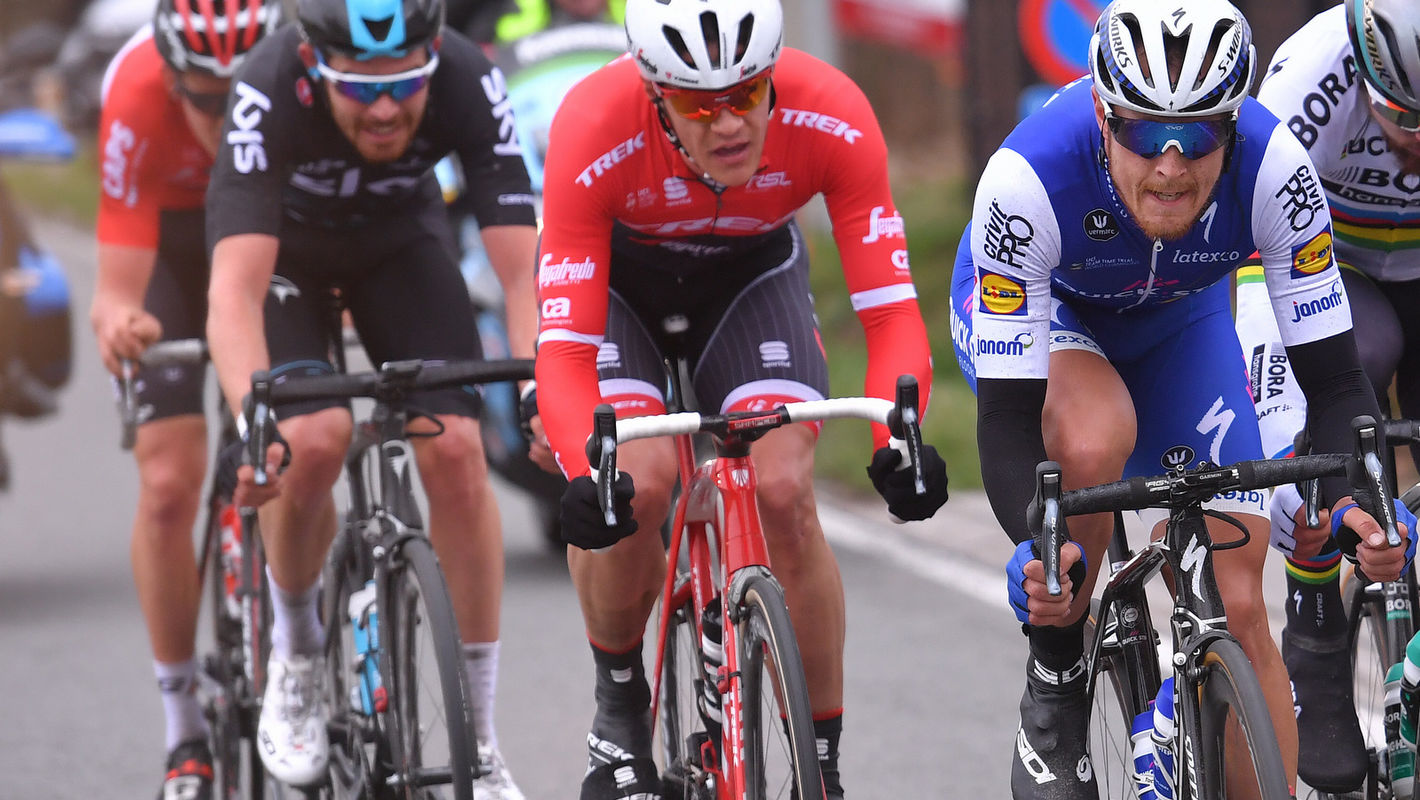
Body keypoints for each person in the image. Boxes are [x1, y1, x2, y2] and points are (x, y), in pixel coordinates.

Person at [947, 0, 1416, 797]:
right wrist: (1040, 541)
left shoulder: (1275, 169)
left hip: (1178, 323)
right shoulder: (1025, 179)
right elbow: (1006, 419)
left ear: (1232, 126)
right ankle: (1057, 676)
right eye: (1141, 130)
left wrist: (1357, 502)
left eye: (1197, 134)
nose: (1169, 164)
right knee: (1096, 437)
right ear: (1102, 113)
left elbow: (1335, 380)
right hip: (1056, 319)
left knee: (1240, 602)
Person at [528, 0, 950, 797]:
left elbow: (891, 313)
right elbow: (565, 351)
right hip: (621, 287)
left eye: (748, 95)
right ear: (655, 94)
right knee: (639, 481)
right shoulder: (593, 124)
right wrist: (589, 469)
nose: (728, 124)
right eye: (696, 104)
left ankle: (819, 761)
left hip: (750, 277)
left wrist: (898, 442)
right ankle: (619, 707)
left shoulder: (833, 112)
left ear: (773, 81)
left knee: (784, 490)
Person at [204, 0, 538, 796]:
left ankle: (480, 739)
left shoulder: (466, 73)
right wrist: (258, 431)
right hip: (282, 255)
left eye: (405, 83)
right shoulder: (266, 85)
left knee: (457, 450)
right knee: (312, 439)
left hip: (398, 246)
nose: (386, 108)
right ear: (317, 68)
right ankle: (294, 652)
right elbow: (233, 293)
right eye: (361, 88)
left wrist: (537, 390)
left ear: (433, 56)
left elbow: (526, 272)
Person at [90, 3, 279, 798]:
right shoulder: (135, 94)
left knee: (292, 451)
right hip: (168, 243)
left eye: (243, 93)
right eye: (207, 98)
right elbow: (114, 290)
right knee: (170, 484)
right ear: (172, 80)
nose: (228, 113)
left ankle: (299, 659)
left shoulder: (290, 91)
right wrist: (122, 322)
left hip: (262, 231)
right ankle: (184, 733)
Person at [1231, 1, 1420, 792]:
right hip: (1329, 266)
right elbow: (1252, 264)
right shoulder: (1309, 79)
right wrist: (1282, 423)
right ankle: (1314, 628)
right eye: (1407, 121)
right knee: (1348, 372)